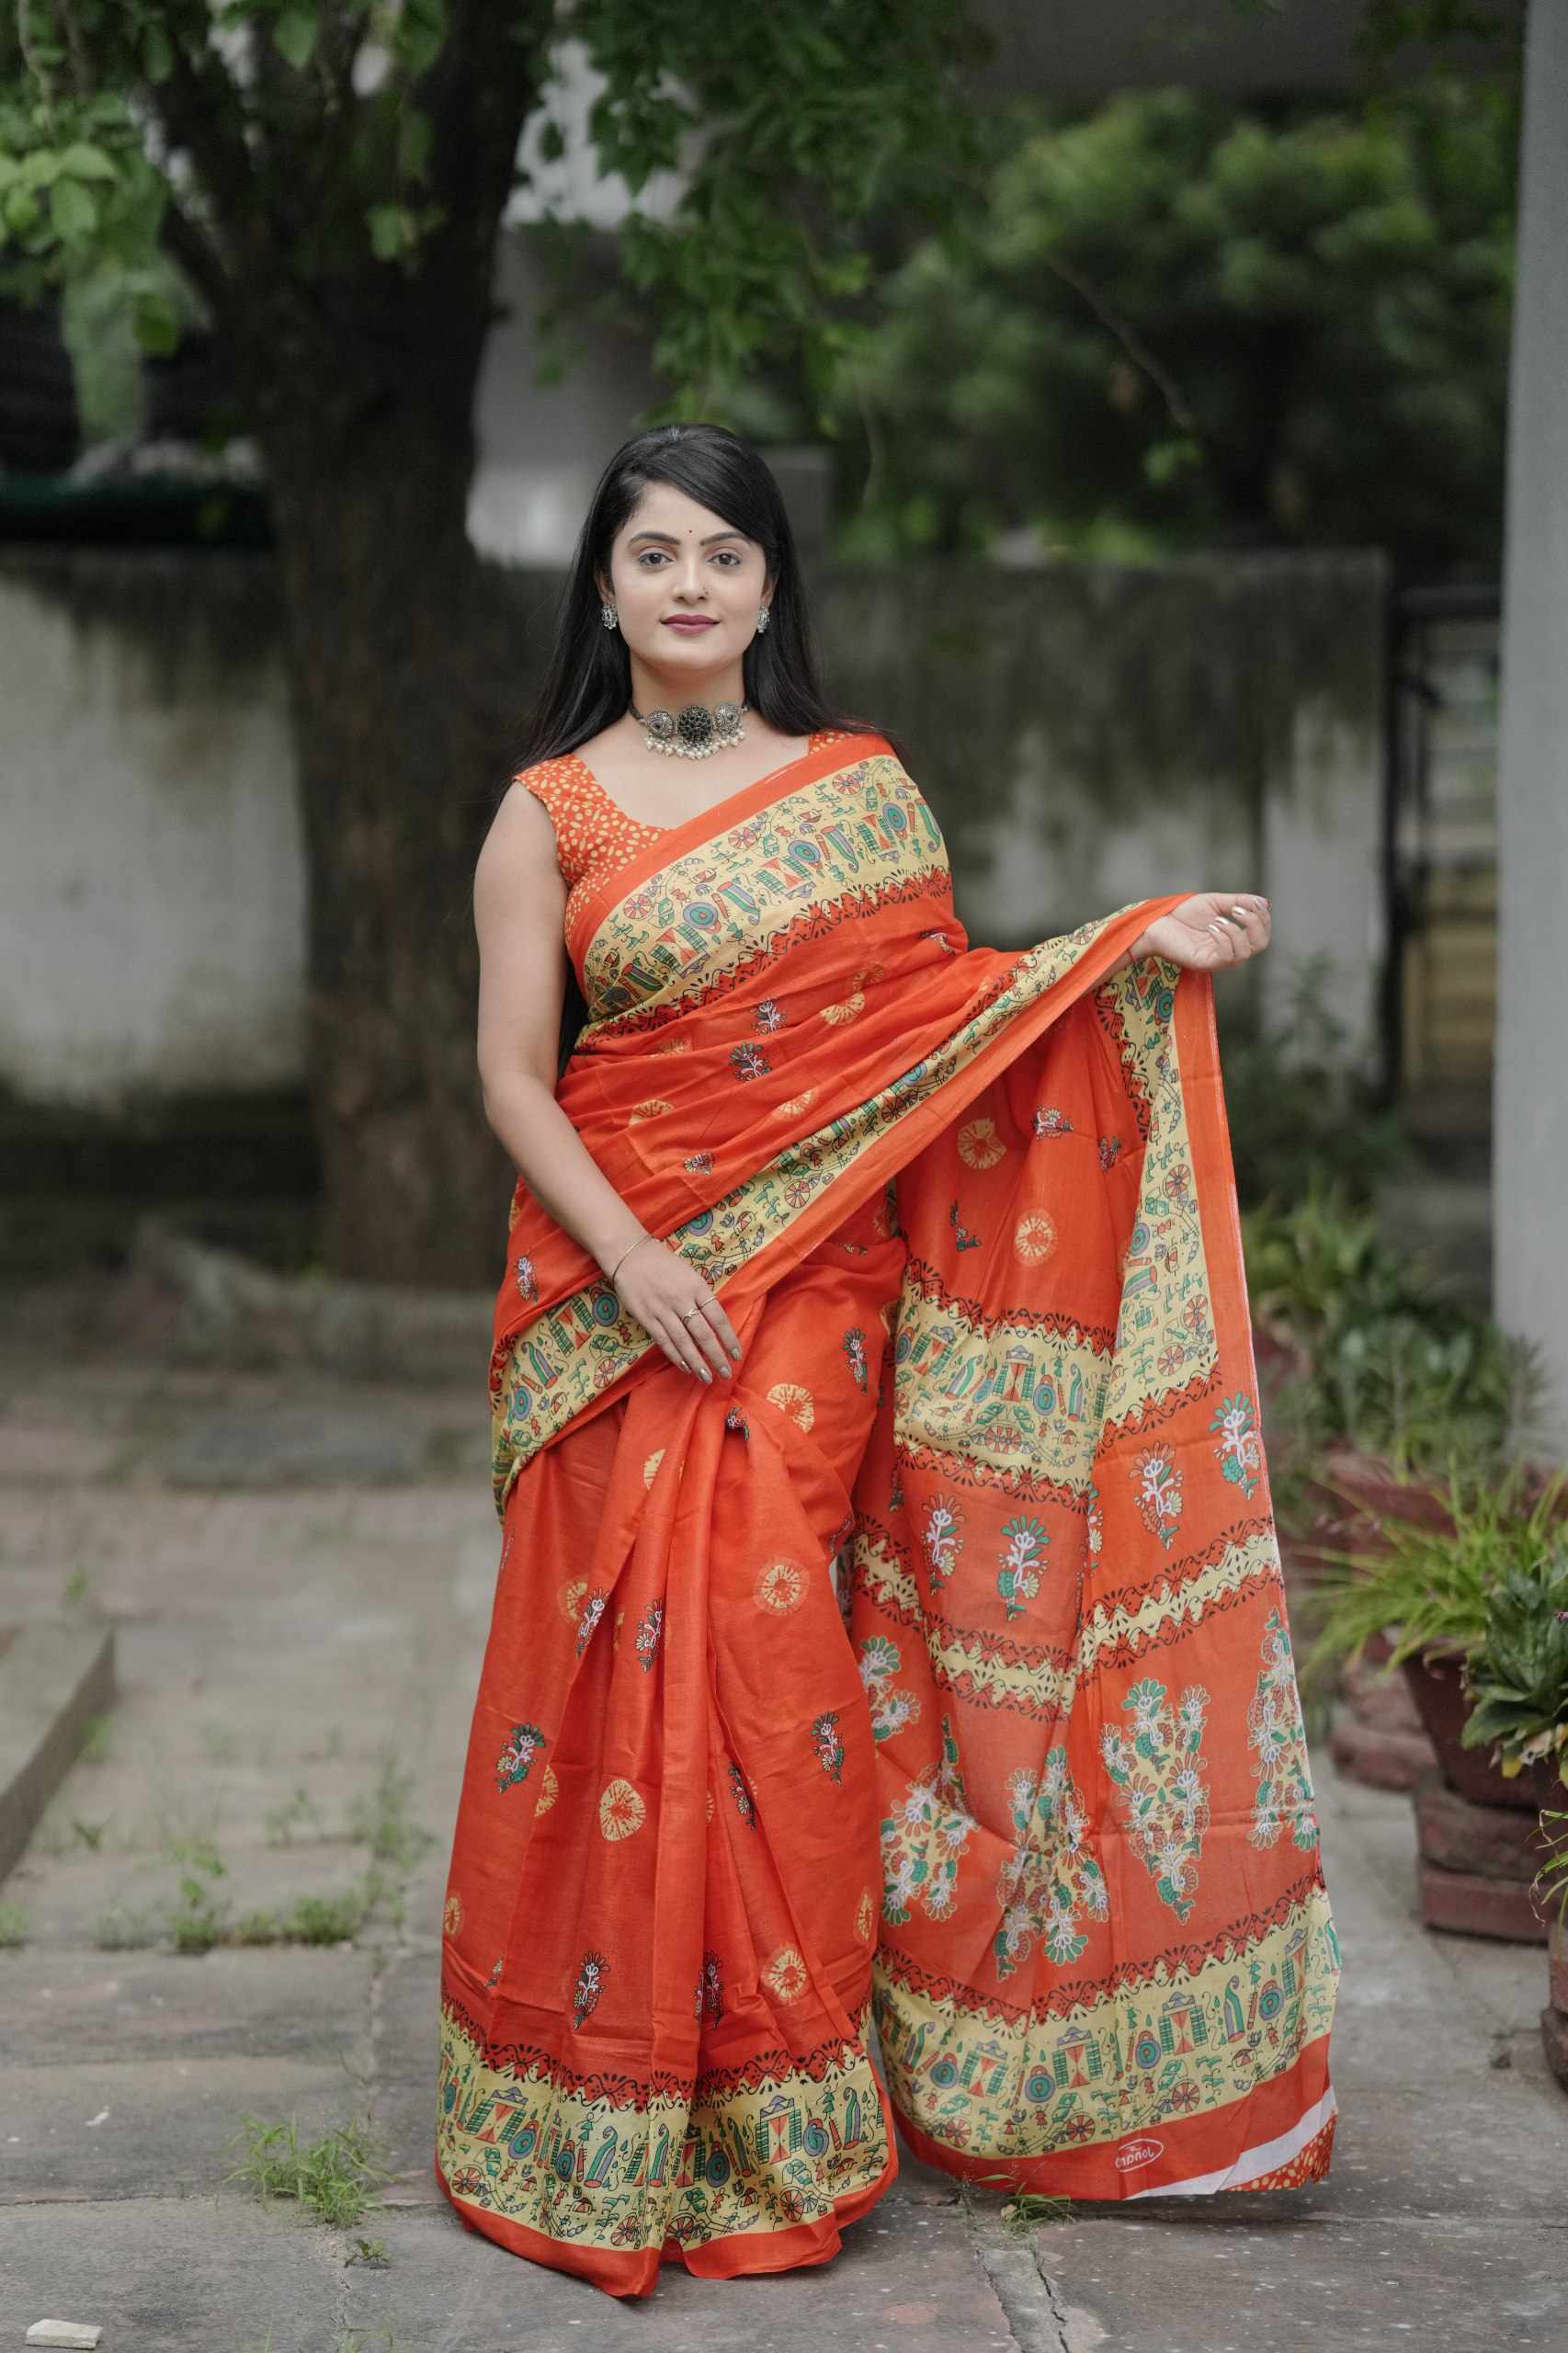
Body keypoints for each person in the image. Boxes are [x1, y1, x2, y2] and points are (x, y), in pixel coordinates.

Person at [435, 422, 1340, 2300]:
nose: (690, 585)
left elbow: (944, 1028)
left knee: (773, 1646)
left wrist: (1124, 950)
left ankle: (783, 2102)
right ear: (603, 584)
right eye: (655, 554)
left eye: (724, 554)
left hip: (816, 1294)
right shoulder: (549, 812)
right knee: (616, 1661)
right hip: (615, 1295)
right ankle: (599, 2088)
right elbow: (516, 1077)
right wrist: (639, 1256)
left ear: (771, 583)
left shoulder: (859, 787)